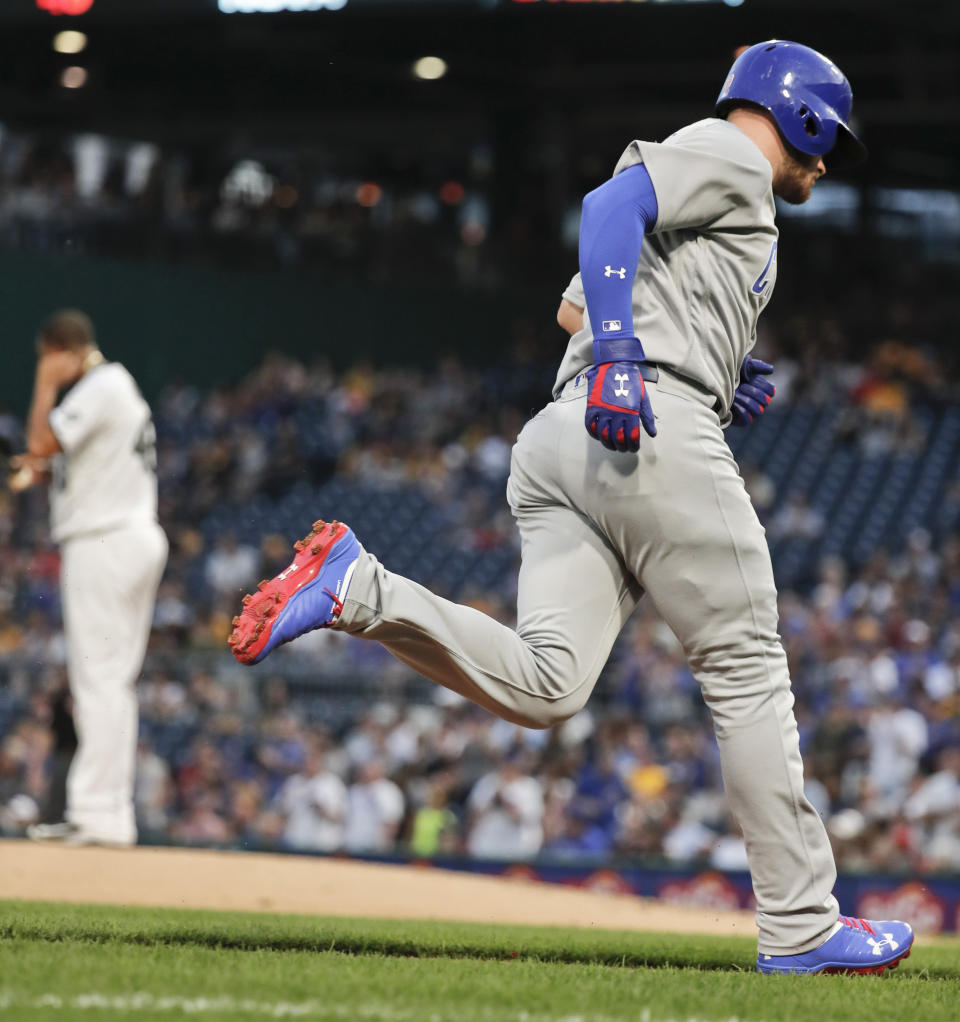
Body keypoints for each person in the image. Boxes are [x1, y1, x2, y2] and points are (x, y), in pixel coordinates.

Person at [229, 42, 913, 974]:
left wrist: (707, 350)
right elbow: (607, 207)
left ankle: (359, 588)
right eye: (824, 135)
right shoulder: (731, 152)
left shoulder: (710, 178)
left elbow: (570, 311)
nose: (826, 158)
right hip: (643, 419)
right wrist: (638, 353)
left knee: (550, 686)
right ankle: (801, 924)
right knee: (748, 666)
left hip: (564, 434)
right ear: (791, 112)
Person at [13, 309, 167, 846]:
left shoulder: (101, 383)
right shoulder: (117, 387)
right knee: (110, 681)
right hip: (129, 532)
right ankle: (109, 813)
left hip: (106, 539)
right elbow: (54, 457)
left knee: (97, 680)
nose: (47, 365)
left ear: (64, 350)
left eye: (49, 357)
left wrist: (44, 384)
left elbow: (41, 440)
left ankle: (97, 814)